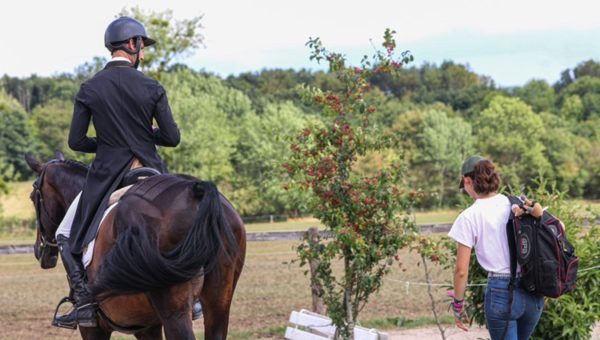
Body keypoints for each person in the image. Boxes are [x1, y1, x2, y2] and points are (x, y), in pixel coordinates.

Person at [53, 16, 180, 329]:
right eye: (143, 46)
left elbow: (76, 141)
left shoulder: (90, 87)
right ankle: (193, 299)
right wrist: (144, 135)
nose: (144, 54)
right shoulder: (152, 86)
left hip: (108, 177)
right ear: (134, 45)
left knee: (65, 234)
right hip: (151, 175)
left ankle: (83, 302)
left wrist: (109, 143)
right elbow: (172, 138)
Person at [448, 156, 544, 340]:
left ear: (467, 181)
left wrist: (458, 306)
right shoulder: (517, 203)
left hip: (501, 293)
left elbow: (461, 271)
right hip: (532, 289)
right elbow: (559, 227)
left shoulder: (469, 217)